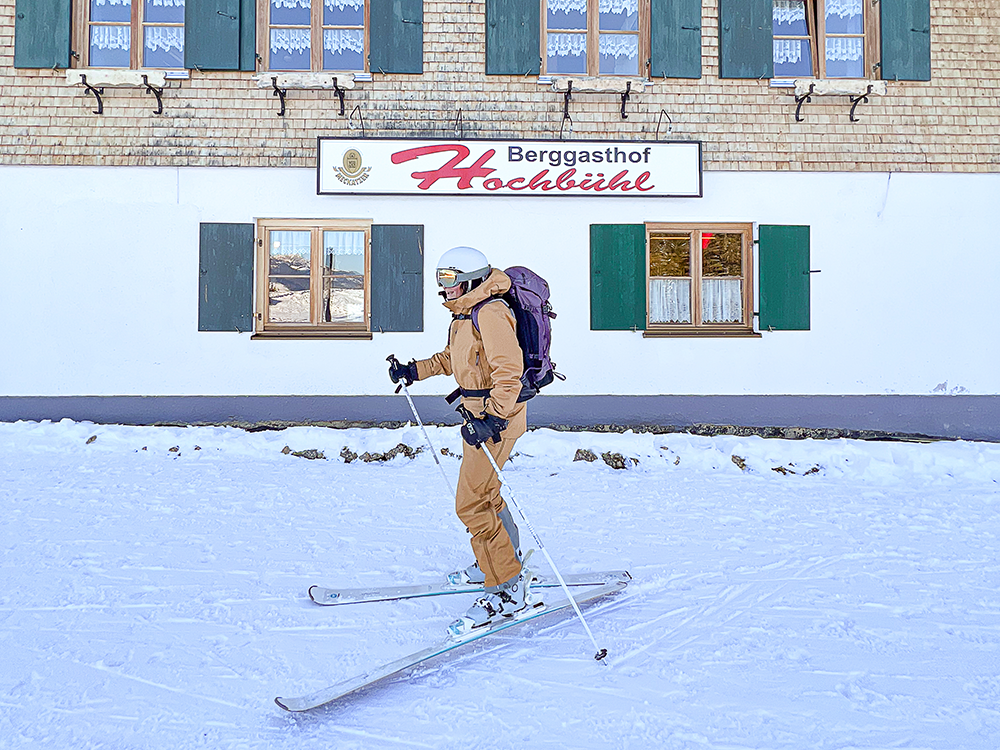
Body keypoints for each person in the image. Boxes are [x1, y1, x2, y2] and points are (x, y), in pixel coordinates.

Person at [388, 246, 531, 633]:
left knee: (471, 504)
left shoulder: (491, 313)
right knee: (487, 495)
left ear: (471, 279)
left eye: (449, 280)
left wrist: (494, 419)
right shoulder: (466, 314)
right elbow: (454, 359)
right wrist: (414, 370)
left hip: (494, 420)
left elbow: (509, 371)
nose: (443, 288)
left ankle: (506, 588)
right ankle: (503, 560)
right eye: (440, 280)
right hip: (482, 417)